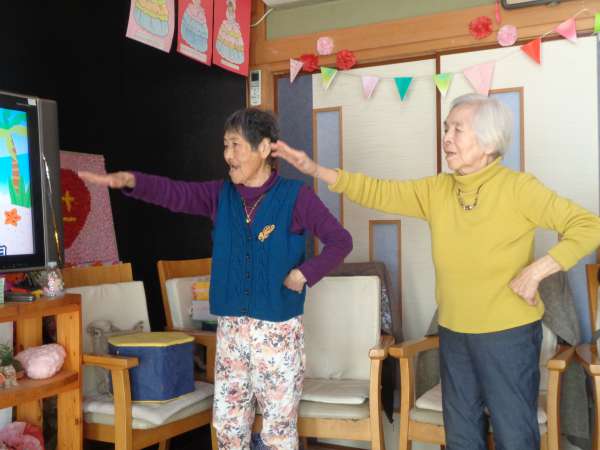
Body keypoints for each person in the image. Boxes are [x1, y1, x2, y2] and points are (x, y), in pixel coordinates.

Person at [272, 93, 600, 450]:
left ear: (488, 142)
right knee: (460, 434)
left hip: (508, 335)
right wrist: (315, 170)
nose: (447, 138)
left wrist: (538, 270)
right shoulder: (438, 189)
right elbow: (378, 192)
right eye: (446, 128)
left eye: (458, 129)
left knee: (515, 435)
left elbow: (589, 226)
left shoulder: (519, 189)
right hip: (454, 332)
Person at [79, 108, 352, 450]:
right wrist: (133, 181)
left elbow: (341, 241)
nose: (227, 155)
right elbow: (174, 193)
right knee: (228, 426)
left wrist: (303, 274)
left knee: (279, 430)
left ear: (264, 148)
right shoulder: (220, 195)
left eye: (236, 145)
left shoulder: (296, 196)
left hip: (278, 334)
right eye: (225, 145)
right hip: (231, 332)